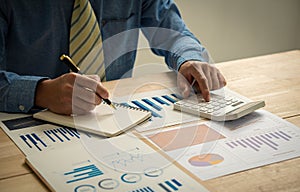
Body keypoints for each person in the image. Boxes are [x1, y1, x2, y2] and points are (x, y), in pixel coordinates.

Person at [0, 0, 226, 115]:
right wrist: (40, 92)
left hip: (109, 116)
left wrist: (188, 59)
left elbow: (172, 33)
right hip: (27, 121)